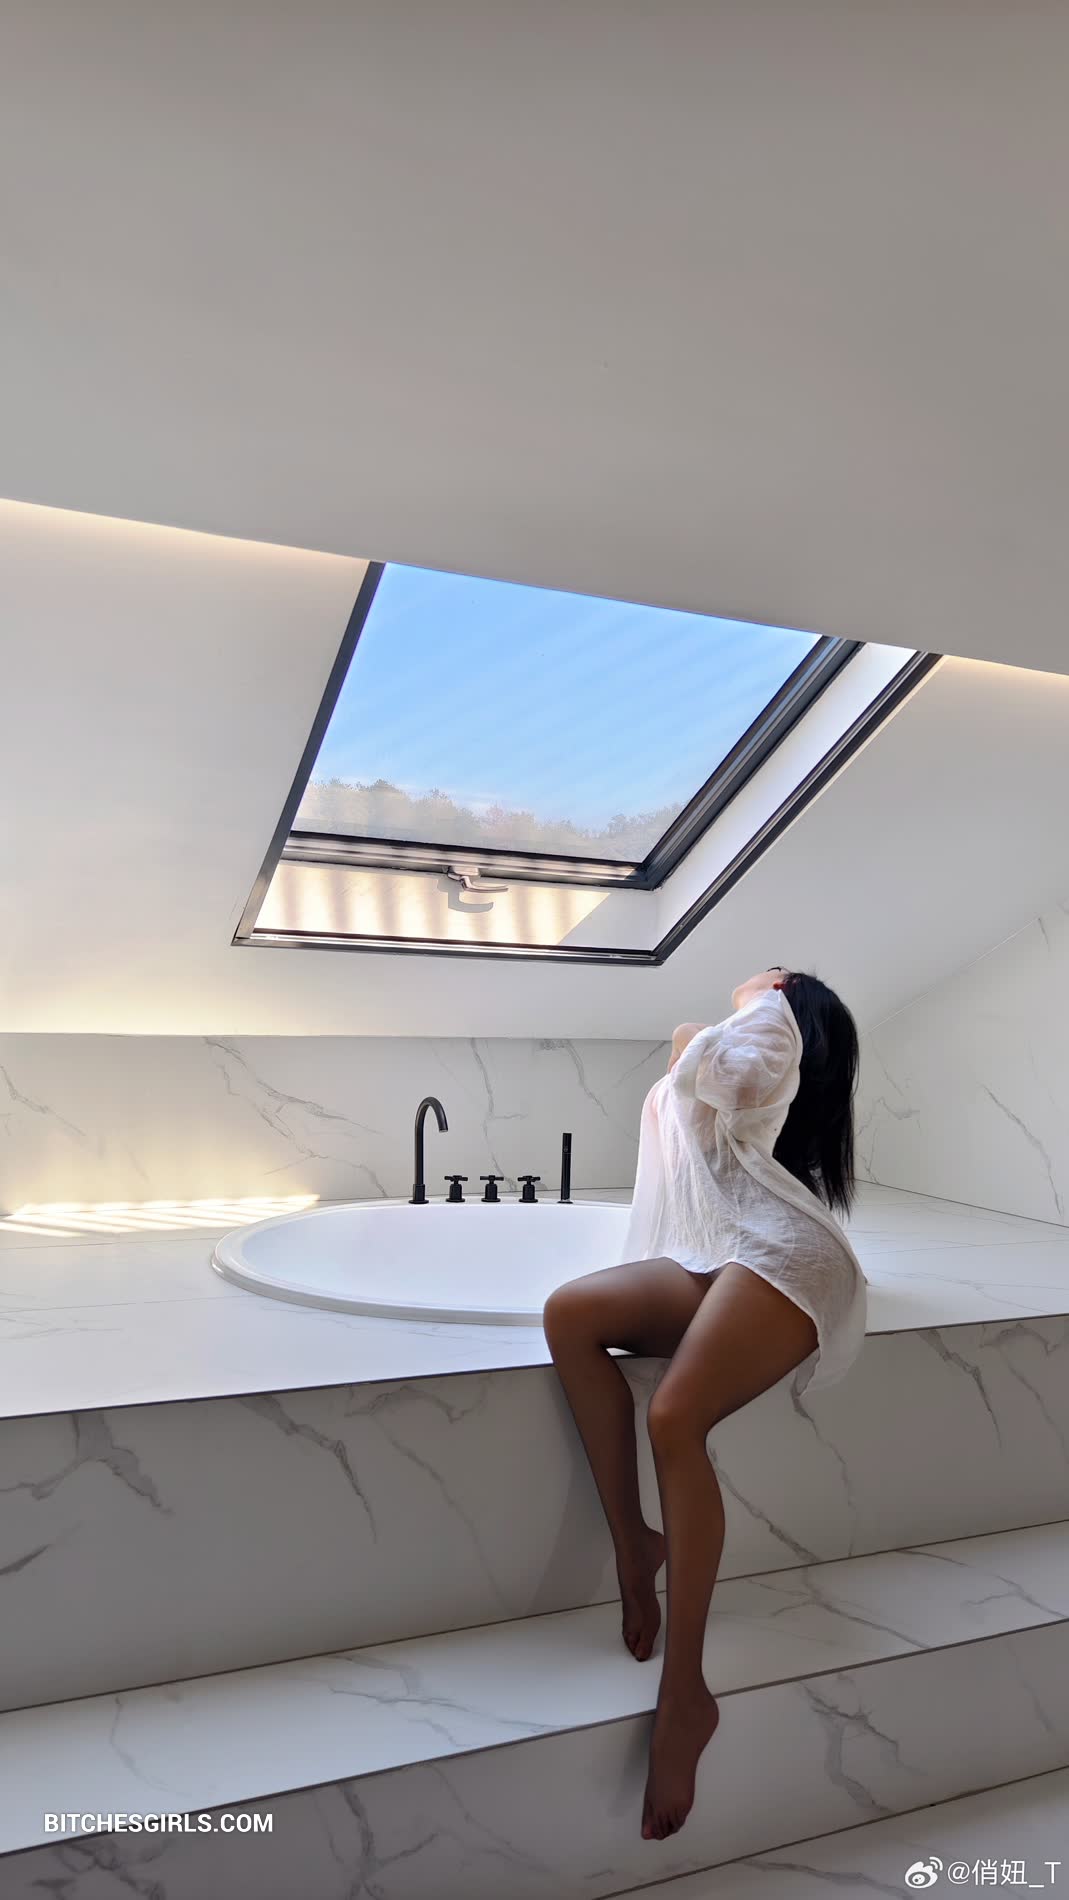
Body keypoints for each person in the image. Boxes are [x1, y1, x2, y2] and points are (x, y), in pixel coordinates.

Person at [542, 966, 866, 1842]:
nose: (747, 980)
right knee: (570, 1313)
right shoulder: (759, 1030)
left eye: (765, 978)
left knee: (674, 1417)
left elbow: (738, 1078)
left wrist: (709, 1028)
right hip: (713, 1249)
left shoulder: (768, 1013)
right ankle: (633, 1543)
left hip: (782, 1255)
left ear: (784, 986)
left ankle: (685, 1690)